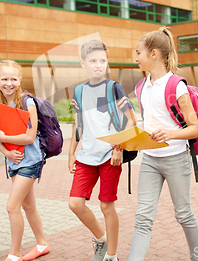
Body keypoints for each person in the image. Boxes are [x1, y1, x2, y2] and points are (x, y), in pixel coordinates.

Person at [128, 26, 198, 261]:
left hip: (175, 159)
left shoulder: (176, 86)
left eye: (138, 52)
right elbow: (147, 123)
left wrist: (170, 134)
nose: (136, 58)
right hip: (150, 160)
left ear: (153, 54)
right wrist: (128, 139)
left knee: (184, 214)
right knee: (143, 218)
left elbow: (195, 128)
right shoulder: (141, 87)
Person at [68, 39, 135, 261]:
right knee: (75, 203)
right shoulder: (78, 91)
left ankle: (112, 255)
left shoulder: (113, 88)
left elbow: (130, 120)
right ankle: (101, 238)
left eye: (103, 61)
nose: (98, 65)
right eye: (93, 61)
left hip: (109, 157)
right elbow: (78, 123)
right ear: (83, 63)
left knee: (107, 206)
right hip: (85, 157)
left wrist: (118, 148)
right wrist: (71, 153)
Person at [0, 60, 49, 261]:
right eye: (4, 79)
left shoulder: (27, 102)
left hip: (31, 161)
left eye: (13, 79)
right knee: (28, 206)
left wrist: (5, 139)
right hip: (14, 162)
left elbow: (29, 137)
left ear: (20, 80)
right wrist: (7, 153)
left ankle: (14, 254)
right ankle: (42, 244)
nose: (9, 83)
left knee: (12, 206)